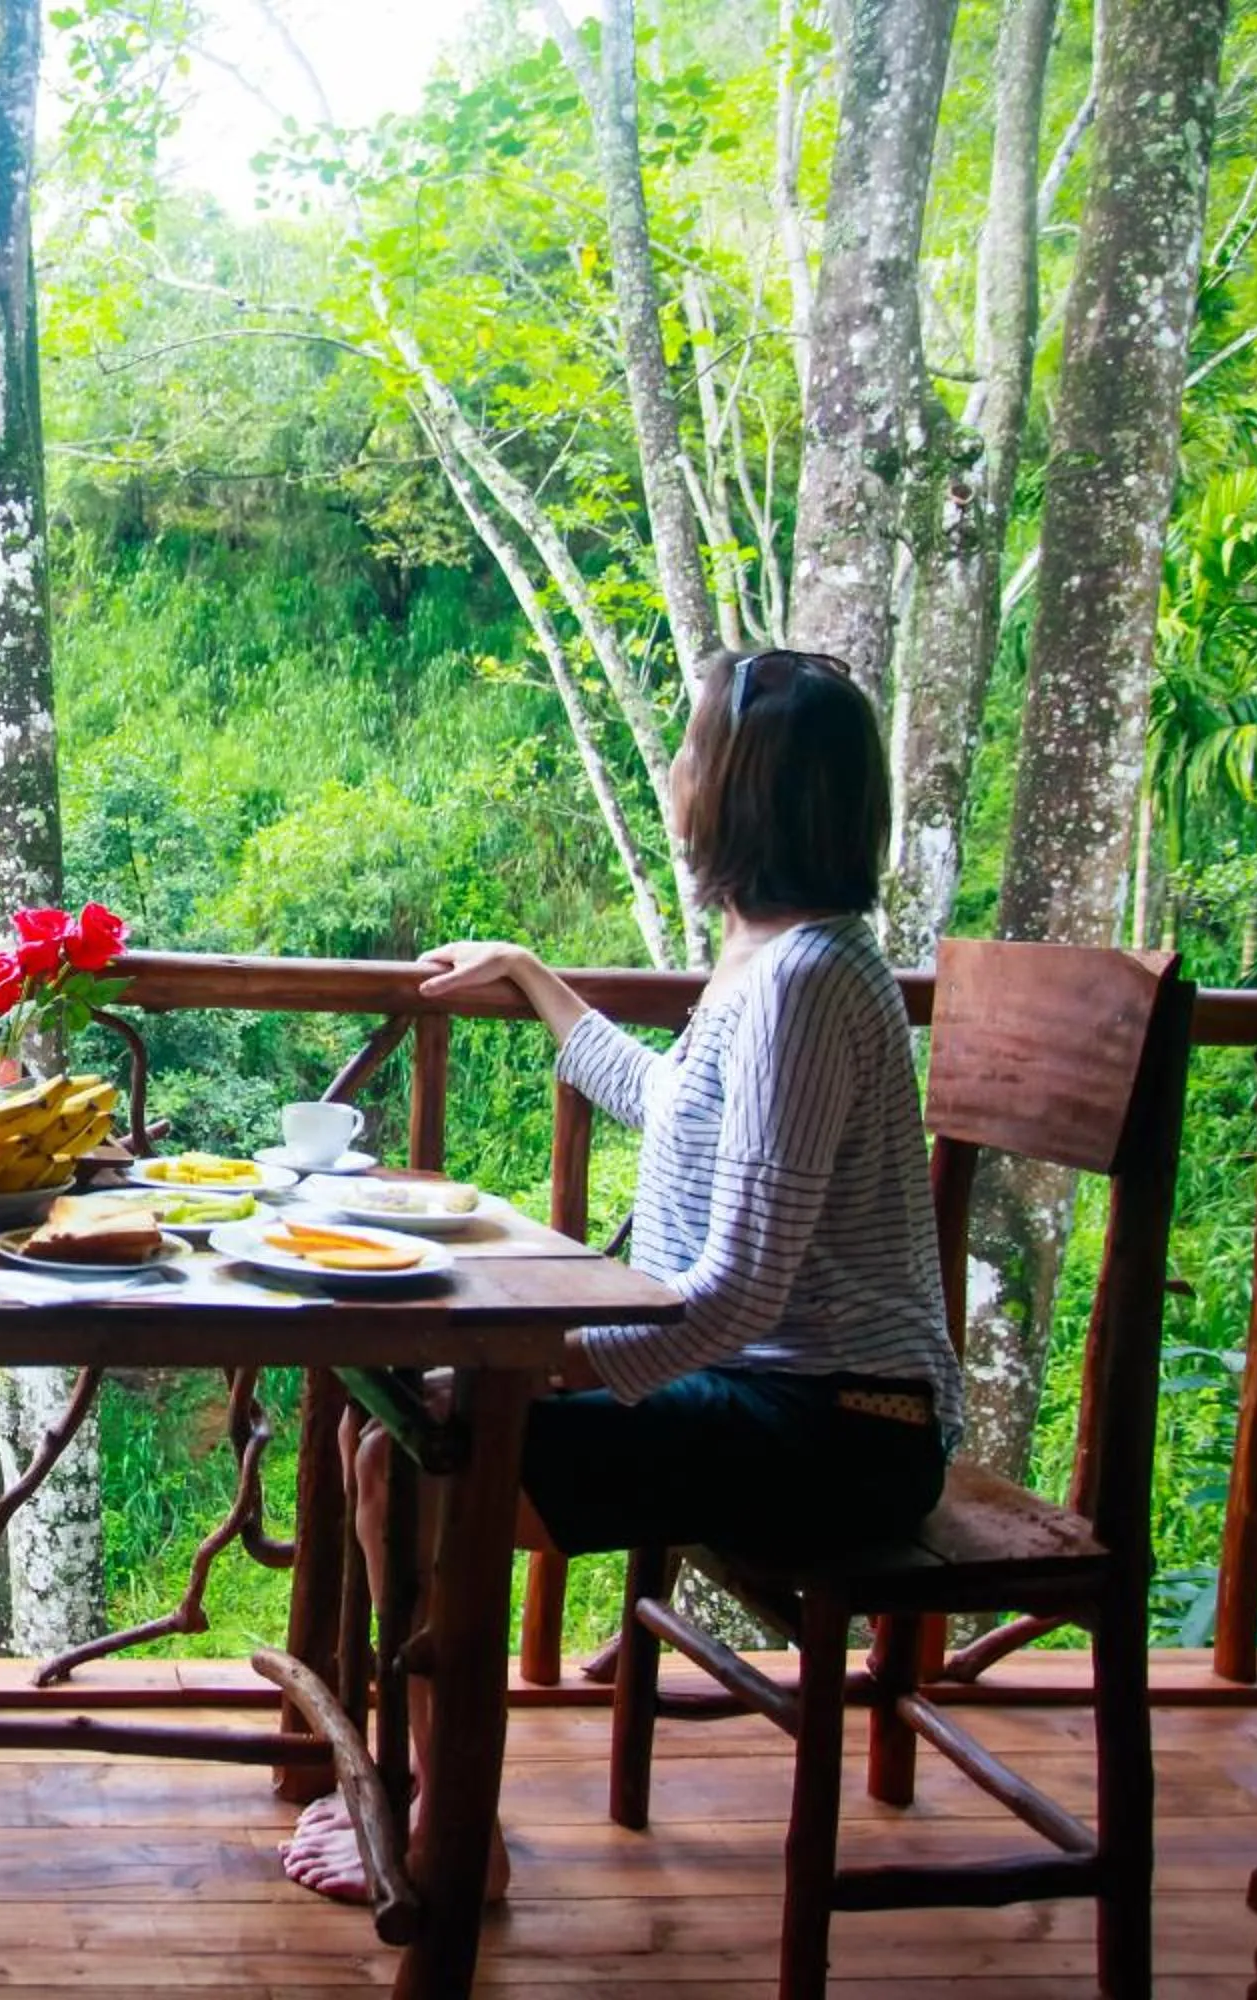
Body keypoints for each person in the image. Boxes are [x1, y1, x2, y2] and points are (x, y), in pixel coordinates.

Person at [280, 645, 959, 1908]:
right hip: (782, 1394)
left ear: (747, 788)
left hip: (841, 1425)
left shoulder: (808, 981)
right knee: (403, 1441)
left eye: (695, 746)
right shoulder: (772, 957)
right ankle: (440, 1792)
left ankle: (456, 1834)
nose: (678, 767)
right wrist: (537, 979)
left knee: (431, 1462)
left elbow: (742, 1290)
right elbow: (670, 1102)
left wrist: (542, 1361)